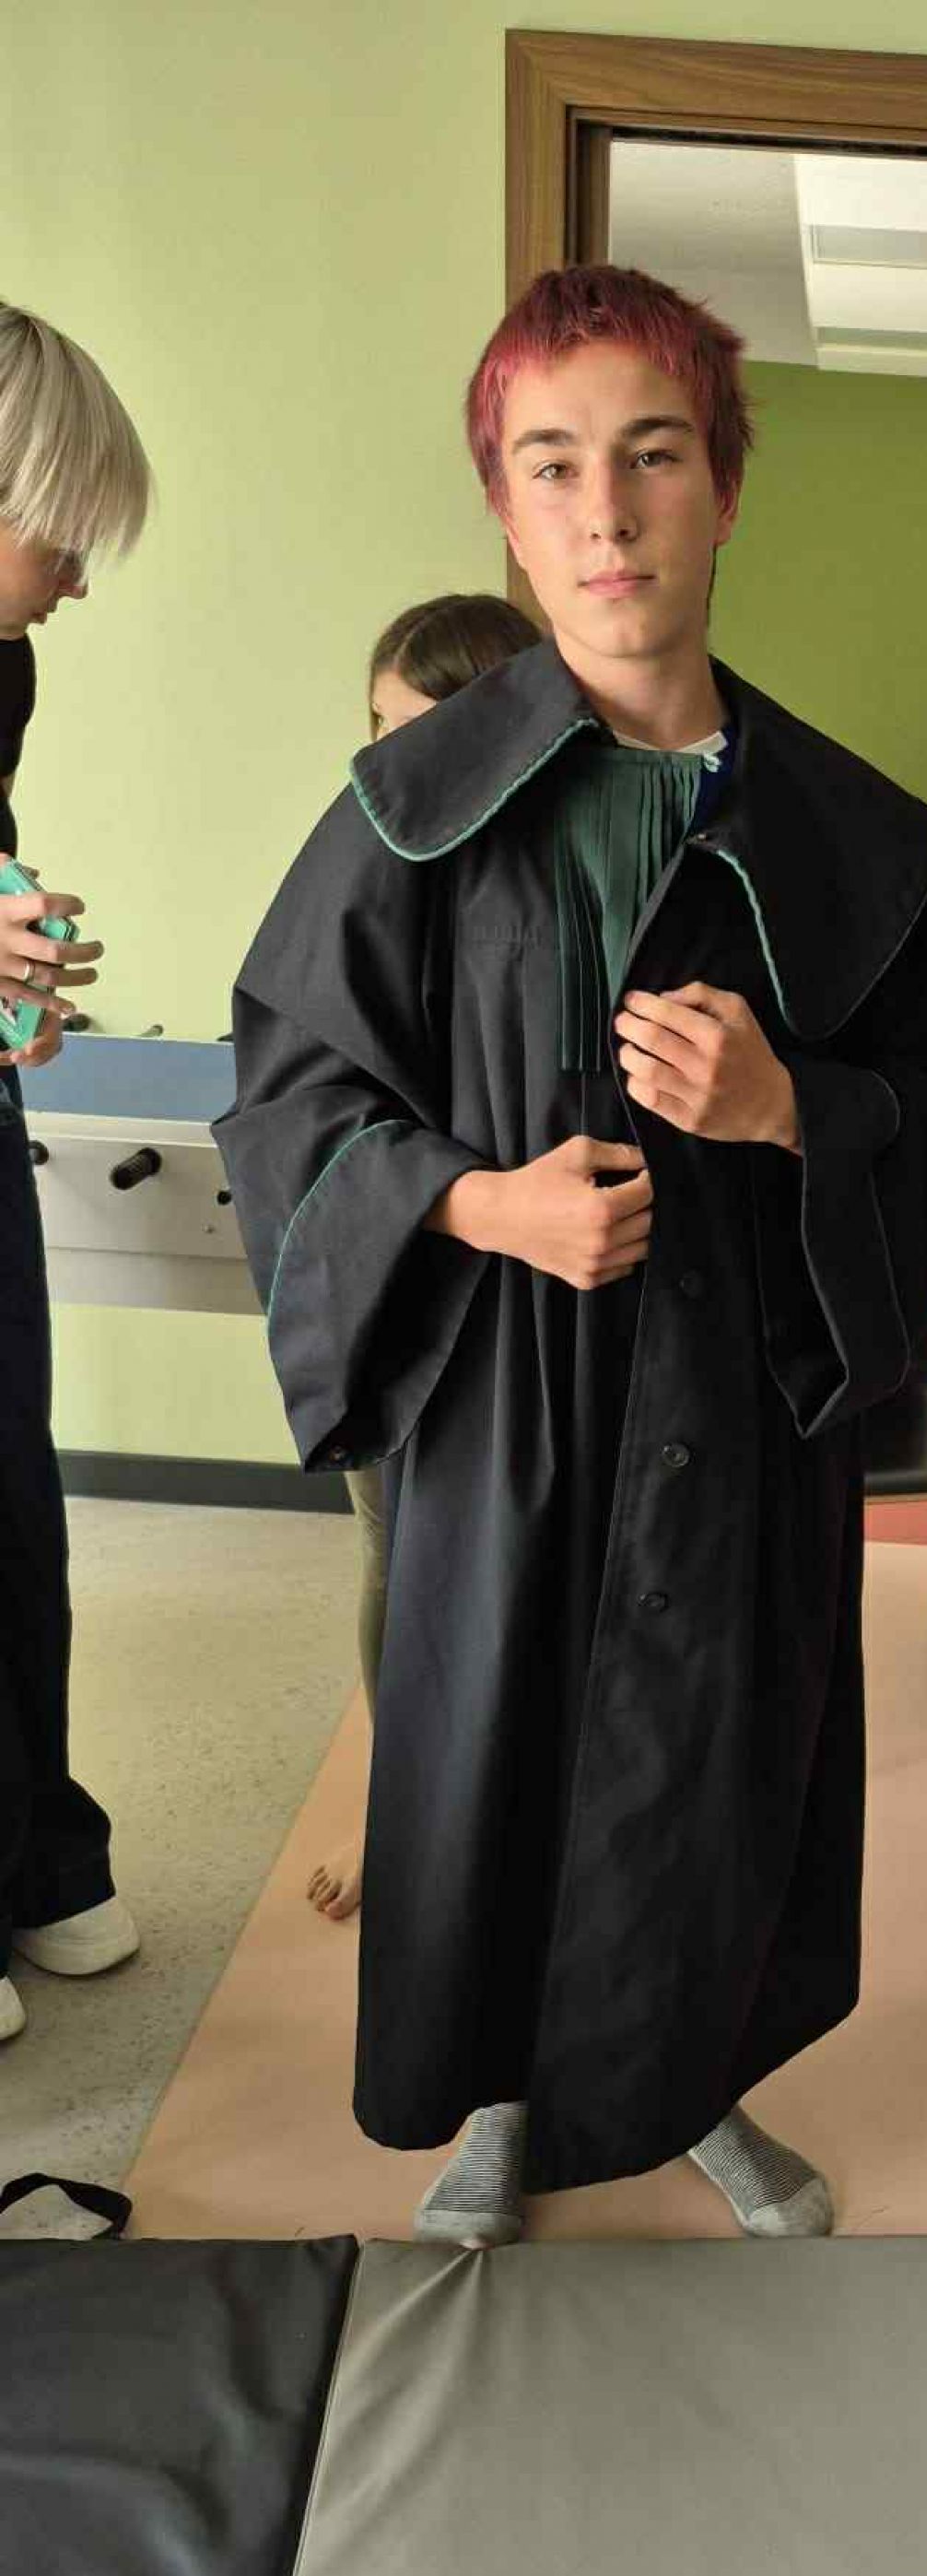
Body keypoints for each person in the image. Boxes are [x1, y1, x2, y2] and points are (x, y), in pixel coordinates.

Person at [217, 264, 927, 2243]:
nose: (607, 514)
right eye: (554, 465)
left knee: (716, 1757)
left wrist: (795, 1110)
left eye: (653, 457)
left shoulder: (856, 830)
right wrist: (480, 1204)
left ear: (726, 488)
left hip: (741, 1401)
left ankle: (695, 2090)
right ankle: (510, 2103)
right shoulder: (412, 813)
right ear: (506, 507)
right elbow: (290, 1094)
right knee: (499, 1752)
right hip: (507, 1398)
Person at [307, 591, 542, 1927]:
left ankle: (513, 1835)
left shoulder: (573, 879)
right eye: (376, 729)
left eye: (418, 734)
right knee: (394, 1557)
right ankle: (400, 1816)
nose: (384, 766)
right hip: (405, 1275)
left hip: (542, 1290)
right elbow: (315, 1094)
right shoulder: (356, 879)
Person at [0, 301, 151, 2046]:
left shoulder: (5, 666)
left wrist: (17, 988)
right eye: (63, 539)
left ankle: (37, 1852)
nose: (78, 581)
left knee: (11, 1496)